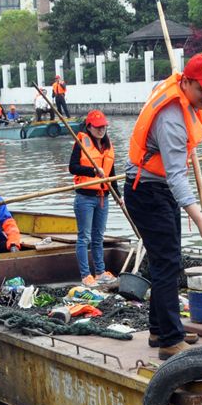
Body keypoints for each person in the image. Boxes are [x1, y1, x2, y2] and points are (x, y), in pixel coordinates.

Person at [124, 54, 202, 360]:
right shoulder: (171, 120)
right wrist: (201, 219)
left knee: (165, 260)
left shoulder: (177, 88)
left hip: (158, 188)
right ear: (187, 82)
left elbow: (161, 83)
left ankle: (159, 328)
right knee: (167, 263)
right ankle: (170, 340)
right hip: (147, 191)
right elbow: (178, 178)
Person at [68, 109, 117, 287]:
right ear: (89, 127)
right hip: (85, 198)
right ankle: (85, 275)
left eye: (103, 127)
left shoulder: (108, 145)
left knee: (98, 237)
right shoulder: (81, 142)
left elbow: (111, 173)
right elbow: (72, 167)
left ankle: (100, 272)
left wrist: (119, 196)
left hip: (103, 197)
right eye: (97, 127)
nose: (101, 130)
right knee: (84, 237)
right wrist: (92, 171)